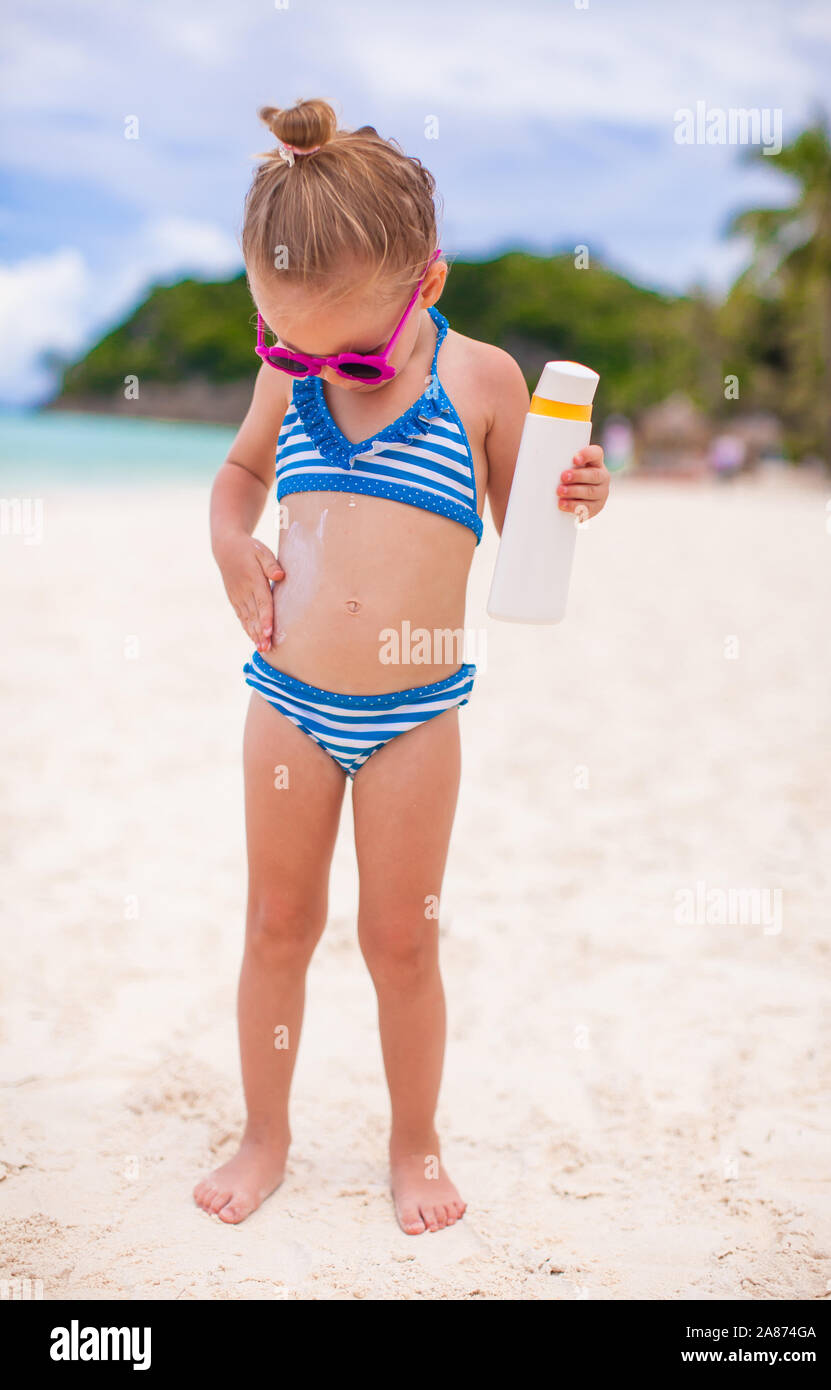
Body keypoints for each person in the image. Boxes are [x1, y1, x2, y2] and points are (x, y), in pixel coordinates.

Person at [194, 98, 610, 1233]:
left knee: (400, 938)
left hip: (416, 714)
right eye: (289, 342)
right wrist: (232, 540)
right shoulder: (290, 370)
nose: (317, 364)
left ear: (426, 283)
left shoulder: (480, 383)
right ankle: (264, 1133)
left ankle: (414, 1141)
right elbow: (238, 477)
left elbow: (532, 527)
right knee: (278, 922)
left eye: (344, 349)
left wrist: (577, 491)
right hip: (285, 699)